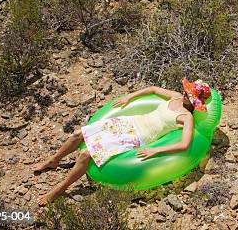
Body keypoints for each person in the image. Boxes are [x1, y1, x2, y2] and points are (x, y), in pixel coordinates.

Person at [33, 79, 211, 206]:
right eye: (186, 91)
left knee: (86, 154)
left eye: (188, 94)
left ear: (193, 100)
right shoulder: (175, 97)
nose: (184, 93)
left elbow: (184, 144)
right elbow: (153, 89)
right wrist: (130, 97)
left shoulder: (187, 117)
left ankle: (59, 190)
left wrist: (155, 151)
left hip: (136, 138)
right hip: (129, 122)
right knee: (78, 133)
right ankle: (54, 160)